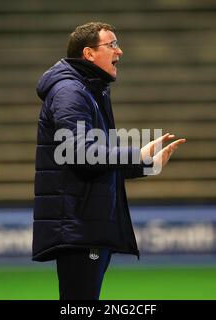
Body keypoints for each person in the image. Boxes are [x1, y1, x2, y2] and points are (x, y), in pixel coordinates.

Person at [33, 22, 185, 300]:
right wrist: (137, 154)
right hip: (79, 225)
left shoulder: (88, 90)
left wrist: (146, 165)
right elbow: (80, 153)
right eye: (112, 44)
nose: (120, 50)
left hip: (86, 223)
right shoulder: (71, 92)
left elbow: (96, 158)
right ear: (89, 54)